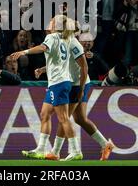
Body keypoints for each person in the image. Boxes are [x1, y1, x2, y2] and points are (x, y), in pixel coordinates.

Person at [10, 15, 86, 161]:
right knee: (45, 113)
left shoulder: (52, 37)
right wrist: (44, 69)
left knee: (63, 118)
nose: (49, 23)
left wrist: (24, 52)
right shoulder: (66, 38)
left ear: (55, 26)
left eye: (51, 21)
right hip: (59, 82)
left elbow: (43, 47)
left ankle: (76, 150)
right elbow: (57, 59)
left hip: (58, 82)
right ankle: (40, 148)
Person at [35, 29, 115, 161]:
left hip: (77, 84)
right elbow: (63, 63)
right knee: (80, 119)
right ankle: (105, 144)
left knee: (64, 117)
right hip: (75, 83)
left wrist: (81, 89)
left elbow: (83, 67)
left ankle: (56, 151)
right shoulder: (63, 43)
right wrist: (43, 69)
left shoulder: (72, 43)